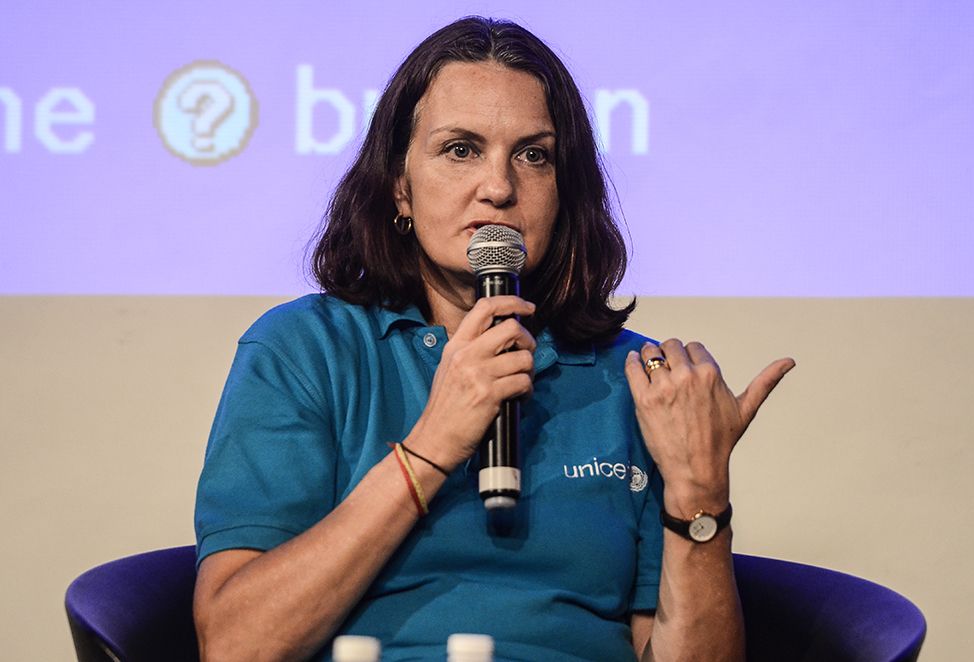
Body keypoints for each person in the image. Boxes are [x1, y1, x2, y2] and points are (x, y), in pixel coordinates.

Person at [193, 16, 794, 662]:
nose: (500, 187)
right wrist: (432, 444)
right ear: (400, 185)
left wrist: (700, 496)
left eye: (533, 155)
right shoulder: (304, 351)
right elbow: (236, 646)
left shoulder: (637, 383)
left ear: (565, 192)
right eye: (460, 149)